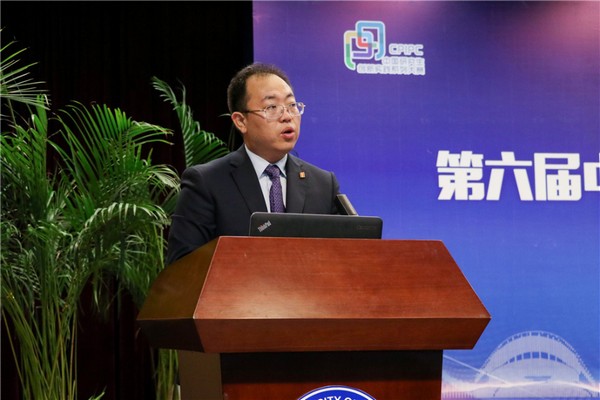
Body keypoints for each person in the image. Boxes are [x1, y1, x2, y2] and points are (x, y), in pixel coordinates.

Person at [166, 63, 341, 265]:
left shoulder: (323, 184)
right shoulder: (207, 183)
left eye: (292, 105)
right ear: (241, 121)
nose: (287, 116)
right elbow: (183, 266)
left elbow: (343, 259)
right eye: (272, 107)